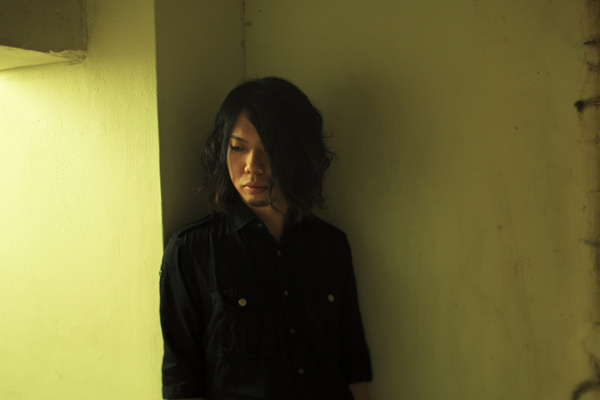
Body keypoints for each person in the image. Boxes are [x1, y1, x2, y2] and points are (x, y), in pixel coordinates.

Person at [159, 76, 372, 400]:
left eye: (269, 148)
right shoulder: (191, 251)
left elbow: (352, 366)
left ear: (297, 153)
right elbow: (182, 381)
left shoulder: (332, 246)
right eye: (238, 148)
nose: (252, 166)